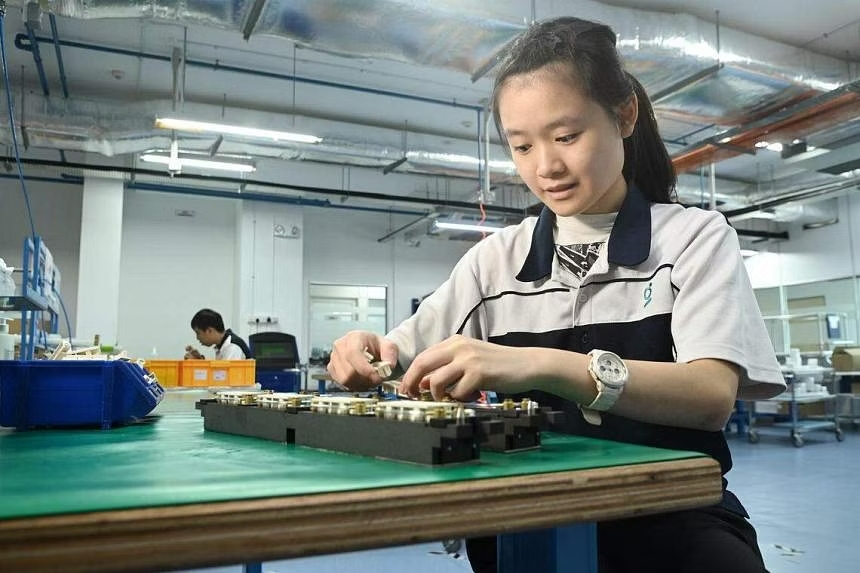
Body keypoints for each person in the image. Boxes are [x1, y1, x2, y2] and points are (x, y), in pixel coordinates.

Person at [327, 16, 785, 573]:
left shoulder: (692, 238)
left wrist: (540, 365)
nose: (546, 166)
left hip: (670, 514)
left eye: (566, 137)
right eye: (521, 147)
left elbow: (711, 394)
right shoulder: (494, 261)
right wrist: (361, 348)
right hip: (527, 520)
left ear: (624, 116)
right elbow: (395, 355)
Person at [185, 308, 251, 360]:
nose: (197, 338)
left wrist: (198, 363)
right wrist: (199, 360)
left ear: (209, 330)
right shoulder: (222, 344)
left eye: (198, 333)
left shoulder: (232, 346)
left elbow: (223, 376)